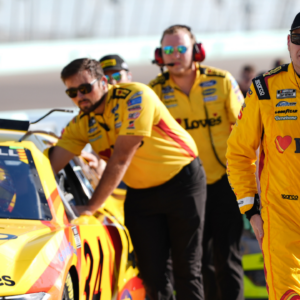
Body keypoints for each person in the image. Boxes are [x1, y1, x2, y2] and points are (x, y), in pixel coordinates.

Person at [49, 58, 207, 300]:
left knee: (187, 268)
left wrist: (91, 206)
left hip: (182, 183)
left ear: (103, 82)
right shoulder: (82, 122)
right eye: (72, 92)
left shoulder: (135, 96)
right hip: (141, 192)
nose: (80, 96)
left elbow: (121, 158)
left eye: (85, 88)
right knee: (152, 274)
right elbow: (50, 165)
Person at [149, 24, 244, 300]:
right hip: (183, 189)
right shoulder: (152, 93)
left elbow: (247, 129)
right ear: (159, 55)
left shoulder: (222, 80)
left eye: (181, 49)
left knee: (228, 259)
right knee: (195, 263)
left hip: (226, 182)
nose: (175, 55)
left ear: (196, 51)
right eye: (169, 50)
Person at [226, 12, 300, 299]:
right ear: (288, 42)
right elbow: (238, 151)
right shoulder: (265, 88)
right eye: (298, 38)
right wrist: (251, 211)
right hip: (281, 214)